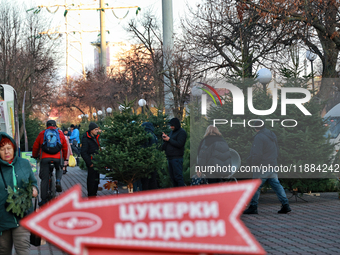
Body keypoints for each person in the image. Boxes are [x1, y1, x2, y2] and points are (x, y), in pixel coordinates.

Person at [0, 132, 39, 255]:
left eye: (9, 148)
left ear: (14, 148)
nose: (6, 152)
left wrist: (34, 188)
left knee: (23, 251)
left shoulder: (24, 163)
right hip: (2, 219)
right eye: (2, 149)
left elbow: (33, 181)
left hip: (23, 215)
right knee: (3, 251)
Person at [243, 122, 291, 214]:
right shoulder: (271, 135)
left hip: (262, 166)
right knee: (277, 185)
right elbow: (277, 149)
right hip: (272, 164)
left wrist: (253, 164)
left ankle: (253, 206)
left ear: (255, 128)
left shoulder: (259, 137)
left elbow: (257, 153)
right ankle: (285, 204)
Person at [32, 120, 68, 206]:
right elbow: (65, 147)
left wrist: (34, 155)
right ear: (55, 126)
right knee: (59, 168)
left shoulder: (42, 133)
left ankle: (43, 200)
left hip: (45, 158)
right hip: (58, 158)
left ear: (46, 126)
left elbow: (36, 146)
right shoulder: (60, 133)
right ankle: (58, 181)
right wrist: (65, 158)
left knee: (44, 179)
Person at [161, 118, 187, 187]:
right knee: (173, 178)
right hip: (170, 158)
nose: (171, 127)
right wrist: (165, 139)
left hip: (177, 158)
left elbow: (179, 144)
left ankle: (182, 192)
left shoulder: (182, 132)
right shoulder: (172, 132)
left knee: (178, 177)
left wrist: (169, 139)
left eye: (172, 126)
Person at [81, 122, 100, 197]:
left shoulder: (96, 137)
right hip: (92, 162)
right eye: (95, 129)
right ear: (91, 130)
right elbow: (83, 152)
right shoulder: (86, 138)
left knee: (96, 179)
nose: (97, 131)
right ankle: (91, 195)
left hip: (98, 161)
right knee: (91, 180)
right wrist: (90, 163)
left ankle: (94, 194)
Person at [140, 122, 158, 190]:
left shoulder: (146, 135)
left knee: (145, 180)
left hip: (146, 161)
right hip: (154, 160)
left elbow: (144, 148)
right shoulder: (154, 135)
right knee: (153, 179)